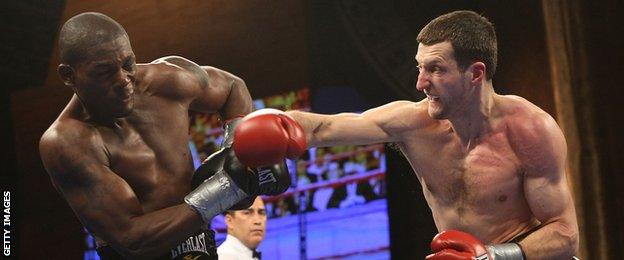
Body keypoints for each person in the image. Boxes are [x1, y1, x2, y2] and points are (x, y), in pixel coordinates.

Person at [243, 10, 579, 259]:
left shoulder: (530, 130)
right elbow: (324, 126)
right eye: (420, 67)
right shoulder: (413, 123)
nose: (420, 83)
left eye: (435, 69)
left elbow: (564, 234)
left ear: (475, 73)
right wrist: (256, 127)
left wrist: (492, 256)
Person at [39, 12, 304, 259]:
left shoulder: (166, 82)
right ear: (68, 75)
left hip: (200, 243)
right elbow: (131, 237)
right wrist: (230, 186)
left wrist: (239, 151)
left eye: (127, 63)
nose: (123, 79)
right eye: (104, 72)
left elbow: (233, 87)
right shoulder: (67, 143)